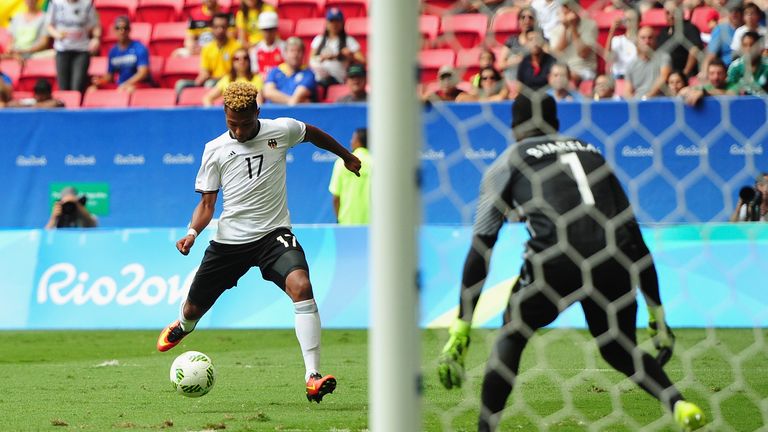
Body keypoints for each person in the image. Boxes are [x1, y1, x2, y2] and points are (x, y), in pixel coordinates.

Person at [438, 92, 707, 431]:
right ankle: (679, 404)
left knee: (512, 333)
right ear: (556, 124)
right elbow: (635, 238)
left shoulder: (508, 161)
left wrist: (463, 324)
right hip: (615, 258)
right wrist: (658, 315)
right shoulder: (592, 152)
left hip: (555, 259)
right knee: (617, 347)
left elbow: (482, 245)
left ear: (514, 128)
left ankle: (485, 429)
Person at [156, 81, 362, 404]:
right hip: (229, 243)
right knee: (194, 309)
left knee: (302, 287)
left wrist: (346, 157)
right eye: (231, 124)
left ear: (257, 112)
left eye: (245, 123)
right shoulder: (215, 149)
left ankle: (312, 376)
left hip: (273, 235)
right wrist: (192, 233)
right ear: (225, 116)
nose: (238, 131)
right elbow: (208, 205)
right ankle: (184, 324)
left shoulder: (281, 131)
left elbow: (313, 133)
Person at [175, 13, 242, 96]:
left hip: (229, 81)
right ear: (211, 28)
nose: (220, 30)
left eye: (223, 27)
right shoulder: (207, 48)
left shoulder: (237, 47)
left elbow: (238, 73)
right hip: (211, 80)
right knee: (181, 84)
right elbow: (205, 71)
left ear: (227, 27)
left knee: (209, 84)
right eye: (216, 27)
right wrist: (198, 81)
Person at [45, 0, 102, 92]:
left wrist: (96, 38)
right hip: (62, 49)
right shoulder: (56, 3)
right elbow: (49, 25)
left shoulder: (87, 4)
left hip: (81, 50)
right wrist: (57, 34)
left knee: (77, 86)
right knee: (63, 87)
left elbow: (95, 25)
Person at [88, 16, 150, 94]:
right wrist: (100, 81)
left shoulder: (139, 48)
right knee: (92, 90)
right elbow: (110, 76)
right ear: (114, 30)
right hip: (120, 85)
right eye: (118, 28)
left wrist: (127, 84)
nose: (122, 31)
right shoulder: (113, 51)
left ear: (129, 30)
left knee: (128, 90)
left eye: (125, 28)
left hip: (138, 85)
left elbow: (143, 73)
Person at [309, 8, 366, 89]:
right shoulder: (318, 39)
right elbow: (311, 60)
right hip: (318, 78)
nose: (334, 24)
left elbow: (362, 61)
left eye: (337, 21)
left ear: (342, 23)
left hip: (338, 80)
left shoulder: (349, 41)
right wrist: (322, 58)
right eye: (332, 21)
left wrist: (351, 57)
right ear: (327, 23)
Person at [548, 0, 598, 84]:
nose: (569, 10)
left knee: (563, 76)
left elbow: (583, 53)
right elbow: (556, 53)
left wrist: (573, 27)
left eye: (571, 6)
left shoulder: (590, 25)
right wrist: (565, 28)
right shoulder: (555, 29)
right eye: (565, 7)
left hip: (585, 69)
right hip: (562, 70)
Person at [328, 128, 371, 224]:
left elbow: (336, 198)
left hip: (346, 223)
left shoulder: (341, 163)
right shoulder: (377, 163)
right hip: (373, 224)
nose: (351, 141)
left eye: (353, 138)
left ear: (357, 141)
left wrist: (339, 220)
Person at [656, 1, 703, 78]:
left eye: (674, 13)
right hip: (664, 73)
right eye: (668, 13)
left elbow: (694, 50)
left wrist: (685, 73)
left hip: (683, 73)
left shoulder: (689, 27)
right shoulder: (663, 31)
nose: (671, 16)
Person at [262, 37, 316, 105]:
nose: (295, 55)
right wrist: (292, 100)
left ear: (303, 54)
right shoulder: (274, 71)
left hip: (293, 113)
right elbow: (268, 92)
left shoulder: (308, 74)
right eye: (292, 51)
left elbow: (297, 97)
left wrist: (277, 98)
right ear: (285, 53)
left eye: (299, 51)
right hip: (271, 113)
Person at [625, 26, 672, 99]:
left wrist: (647, 97)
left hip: (659, 101)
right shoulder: (631, 64)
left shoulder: (664, 57)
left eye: (650, 38)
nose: (647, 41)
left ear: (655, 40)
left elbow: (664, 77)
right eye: (643, 38)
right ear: (637, 40)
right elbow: (627, 90)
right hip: (637, 102)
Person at [726, 31, 768, 95]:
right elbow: (730, 92)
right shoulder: (735, 68)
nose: (748, 49)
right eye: (745, 45)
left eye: (752, 45)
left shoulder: (766, 66)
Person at [248, 11, 285, 77]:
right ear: (261, 31)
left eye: (271, 30)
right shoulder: (255, 49)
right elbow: (255, 72)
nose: (268, 34)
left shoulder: (284, 47)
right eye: (265, 30)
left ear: (276, 30)